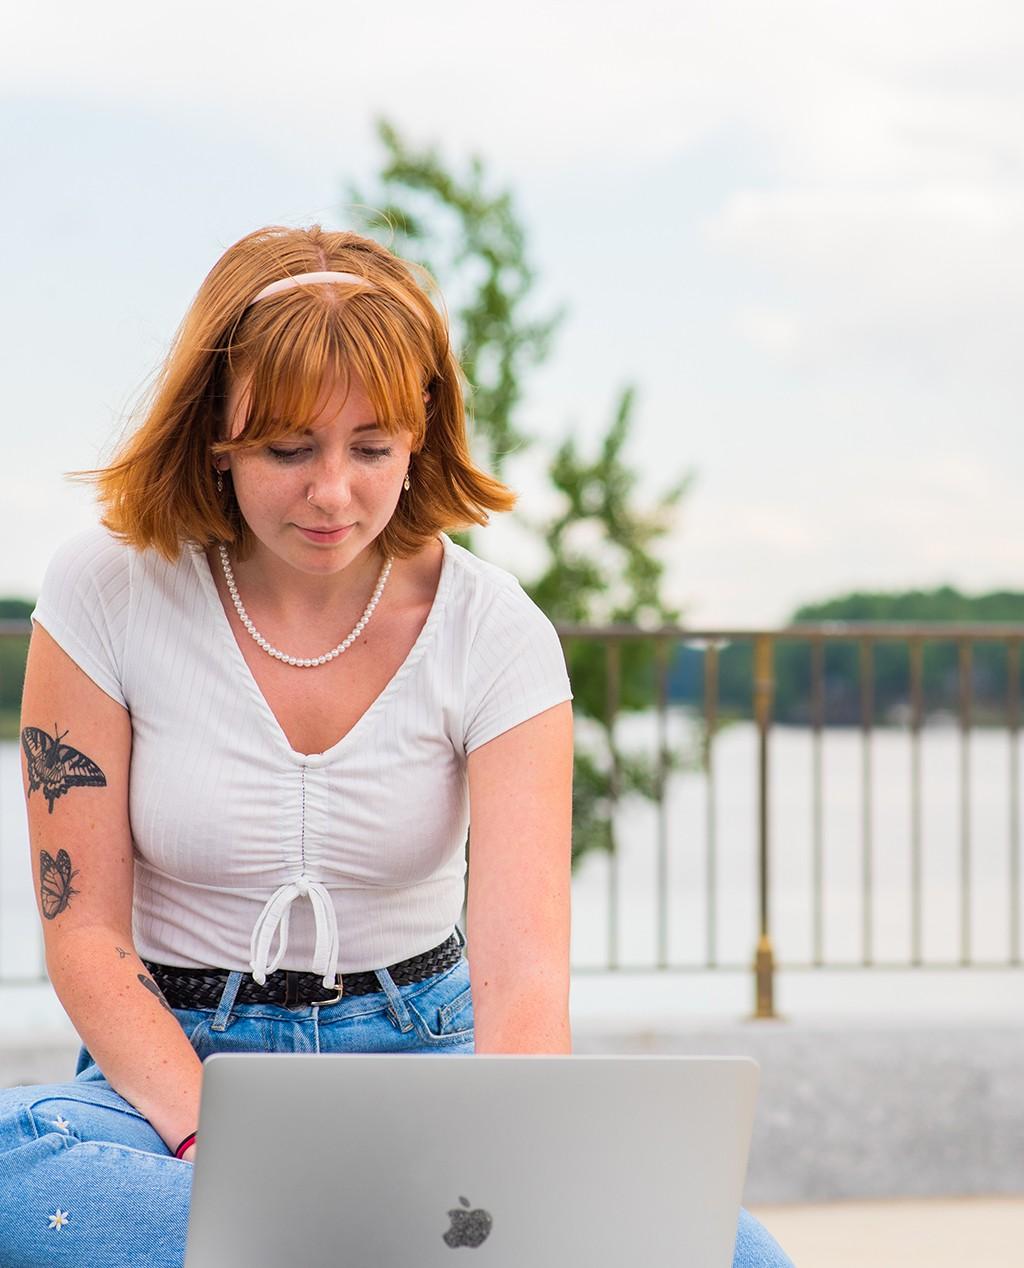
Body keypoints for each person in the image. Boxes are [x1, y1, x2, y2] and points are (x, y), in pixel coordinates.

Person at [0, 225, 792, 1267]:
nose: (333, 492)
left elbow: (520, 990)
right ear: (216, 434)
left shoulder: (496, 632)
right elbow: (85, 937)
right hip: (174, 1070)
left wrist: (503, 1184)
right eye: (290, 449)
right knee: (25, 1176)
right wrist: (220, 1149)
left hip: (430, 1056)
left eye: (371, 447)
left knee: (736, 1253)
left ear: (420, 437)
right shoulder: (103, 587)